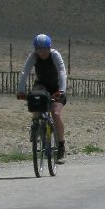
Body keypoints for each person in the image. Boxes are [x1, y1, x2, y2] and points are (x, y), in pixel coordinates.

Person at [18, 33, 68, 162]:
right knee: (35, 101)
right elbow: (25, 72)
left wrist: (61, 90)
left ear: (49, 48)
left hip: (56, 87)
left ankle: (61, 146)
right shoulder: (33, 57)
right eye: (39, 49)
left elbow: (62, 72)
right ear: (36, 49)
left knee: (55, 113)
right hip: (41, 86)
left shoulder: (55, 55)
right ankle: (36, 126)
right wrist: (21, 90)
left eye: (44, 49)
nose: (42, 52)